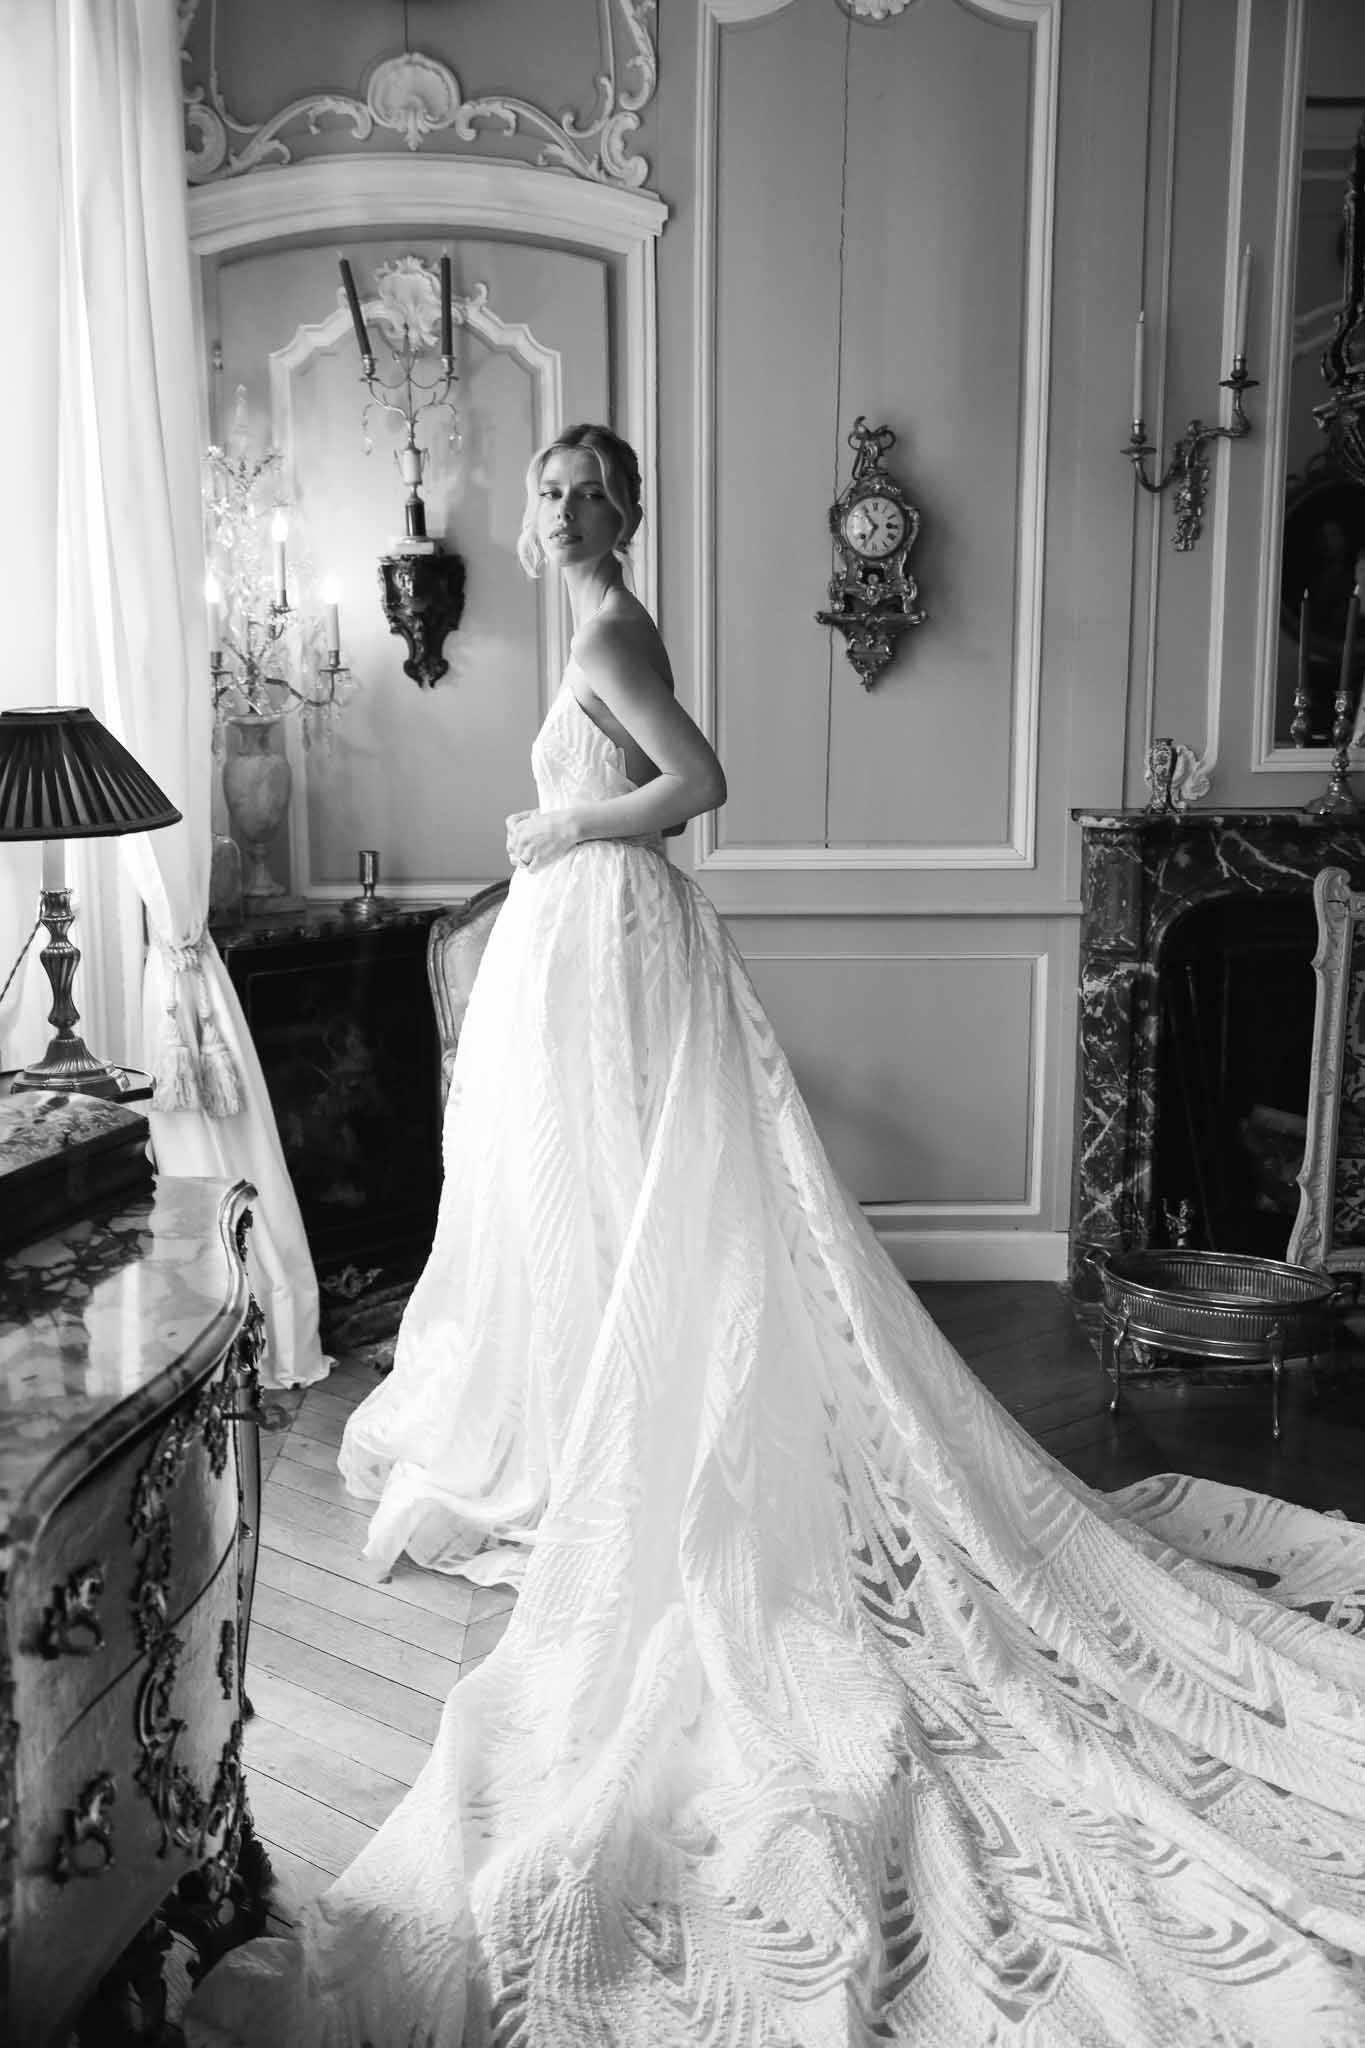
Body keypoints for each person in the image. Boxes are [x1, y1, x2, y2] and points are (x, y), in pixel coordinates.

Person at [187, 426, 1365, 2048]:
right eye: (548, 491)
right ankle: (589, 1414)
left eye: (587, 493)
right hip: (592, 948)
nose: (563, 512)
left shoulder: (607, 628)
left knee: (636, 1200)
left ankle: (634, 1430)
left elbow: (698, 787)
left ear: (624, 513)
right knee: (595, 1204)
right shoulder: (599, 616)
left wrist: (562, 837)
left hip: (612, 936)